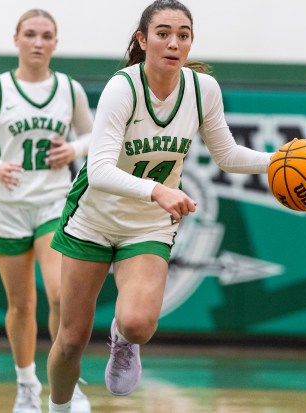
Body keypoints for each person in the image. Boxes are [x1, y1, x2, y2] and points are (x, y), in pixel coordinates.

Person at [46, 0, 274, 410]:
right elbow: (97, 171)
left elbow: (226, 155)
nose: (173, 43)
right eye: (163, 33)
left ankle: (123, 341)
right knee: (70, 341)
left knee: (137, 323)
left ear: (191, 43)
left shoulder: (203, 90)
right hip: (93, 218)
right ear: (143, 39)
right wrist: (158, 190)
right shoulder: (124, 87)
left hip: (148, 224)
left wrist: (278, 162)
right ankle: (59, 406)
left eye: (183, 35)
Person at [0, 9, 93, 413]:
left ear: (56, 43)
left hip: (54, 202)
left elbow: (93, 135)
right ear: (16, 39)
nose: (38, 42)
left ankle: (65, 383)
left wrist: (73, 149)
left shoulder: (70, 89)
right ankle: (25, 384)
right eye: (31, 34)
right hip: (8, 207)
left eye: (47, 35)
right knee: (21, 305)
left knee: (59, 296)